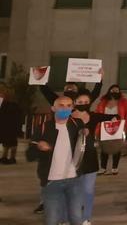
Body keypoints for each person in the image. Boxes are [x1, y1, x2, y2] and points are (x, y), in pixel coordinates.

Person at [27, 95, 86, 225]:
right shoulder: (43, 128)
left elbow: (86, 148)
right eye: (61, 105)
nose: (65, 108)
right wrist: (39, 147)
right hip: (51, 181)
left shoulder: (77, 125)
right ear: (53, 108)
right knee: (52, 220)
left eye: (68, 106)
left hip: (74, 180)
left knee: (76, 218)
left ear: (72, 109)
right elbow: (29, 155)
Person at [72, 91, 115, 225]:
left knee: (88, 190)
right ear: (74, 103)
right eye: (80, 102)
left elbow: (113, 116)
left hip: (90, 157)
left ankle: (86, 218)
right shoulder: (67, 116)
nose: (83, 104)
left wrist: (114, 119)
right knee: (74, 190)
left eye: (86, 102)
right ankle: (72, 215)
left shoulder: (93, 116)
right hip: (72, 158)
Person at [95, 84, 127, 175]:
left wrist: (126, 125)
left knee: (116, 147)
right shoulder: (103, 102)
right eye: (113, 90)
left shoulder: (124, 102)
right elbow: (97, 113)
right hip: (105, 127)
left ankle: (115, 167)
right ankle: (103, 167)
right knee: (104, 147)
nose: (114, 92)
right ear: (109, 91)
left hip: (118, 128)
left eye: (117, 90)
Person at [0, 83, 23, 164]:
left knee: (10, 141)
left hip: (9, 125)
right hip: (8, 125)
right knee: (8, 141)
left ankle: (9, 157)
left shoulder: (11, 104)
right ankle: (6, 157)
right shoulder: (12, 104)